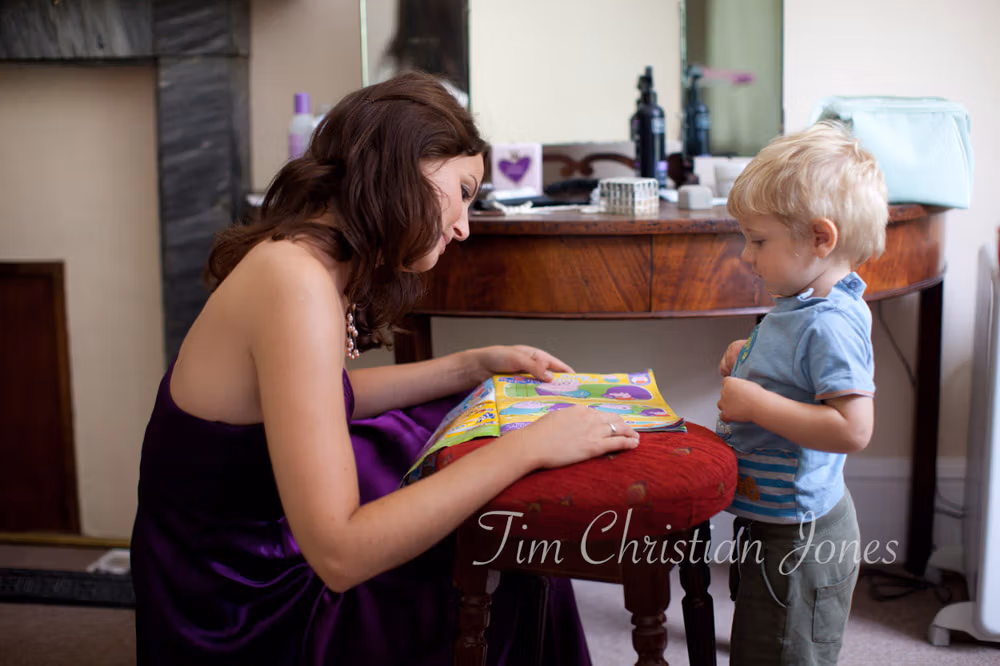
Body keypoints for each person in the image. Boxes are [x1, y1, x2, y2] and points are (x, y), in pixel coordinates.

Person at [130, 72, 641, 665]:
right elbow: (341, 555)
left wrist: (472, 365)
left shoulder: (308, 259)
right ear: (408, 165)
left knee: (434, 441)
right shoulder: (294, 281)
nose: (464, 227)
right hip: (236, 599)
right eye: (464, 190)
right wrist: (529, 446)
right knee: (500, 539)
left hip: (241, 542)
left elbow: (328, 398)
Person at [715, 120, 888, 665]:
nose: (746, 255)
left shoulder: (828, 322)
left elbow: (853, 428)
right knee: (758, 641)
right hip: (776, 520)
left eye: (758, 240)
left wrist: (755, 402)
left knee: (784, 650)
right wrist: (751, 355)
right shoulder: (808, 303)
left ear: (821, 237)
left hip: (801, 535)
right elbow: (804, 370)